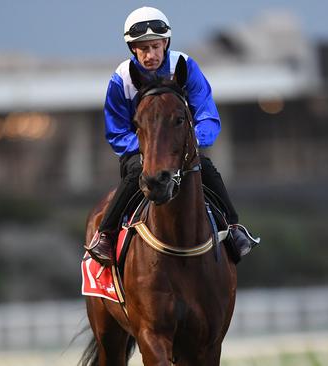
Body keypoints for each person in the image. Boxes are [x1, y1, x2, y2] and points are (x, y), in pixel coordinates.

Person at [85, 6, 258, 266]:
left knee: (207, 169)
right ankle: (106, 235)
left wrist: (194, 140)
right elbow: (117, 130)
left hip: (181, 149)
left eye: (155, 46)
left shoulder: (185, 66)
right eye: (143, 48)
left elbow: (207, 113)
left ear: (165, 43)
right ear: (133, 49)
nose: (150, 54)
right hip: (139, 152)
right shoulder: (121, 79)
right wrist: (148, 148)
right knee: (135, 174)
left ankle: (233, 227)